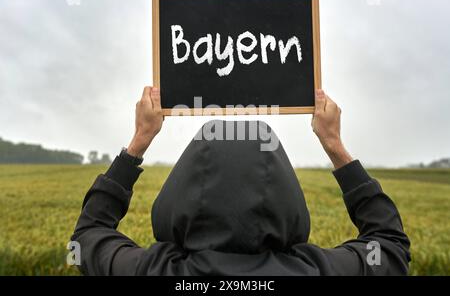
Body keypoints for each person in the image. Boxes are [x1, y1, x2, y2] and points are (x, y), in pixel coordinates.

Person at [71, 86, 411, 275]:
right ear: (286, 197)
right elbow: (391, 246)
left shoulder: (153, 271)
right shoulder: (315, 271)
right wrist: (335, 146)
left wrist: (140, 139)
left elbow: (87, 237)